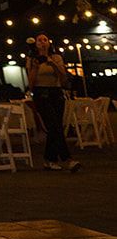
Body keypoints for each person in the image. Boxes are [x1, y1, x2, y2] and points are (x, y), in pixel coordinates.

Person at [27, 33, 80, 172]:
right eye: (39, 40)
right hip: (41, 93)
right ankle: (67, 159)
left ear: (49, 43)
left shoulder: (56, 58)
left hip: (56, 93)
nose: (42, 42)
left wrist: (52, 63)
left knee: (55, 127)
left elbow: (63, 77)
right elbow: (30, 84)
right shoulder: (32, 59)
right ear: (36, 44)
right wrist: (35, 67)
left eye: (45, 40)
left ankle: (49, 159)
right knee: (53, 124)